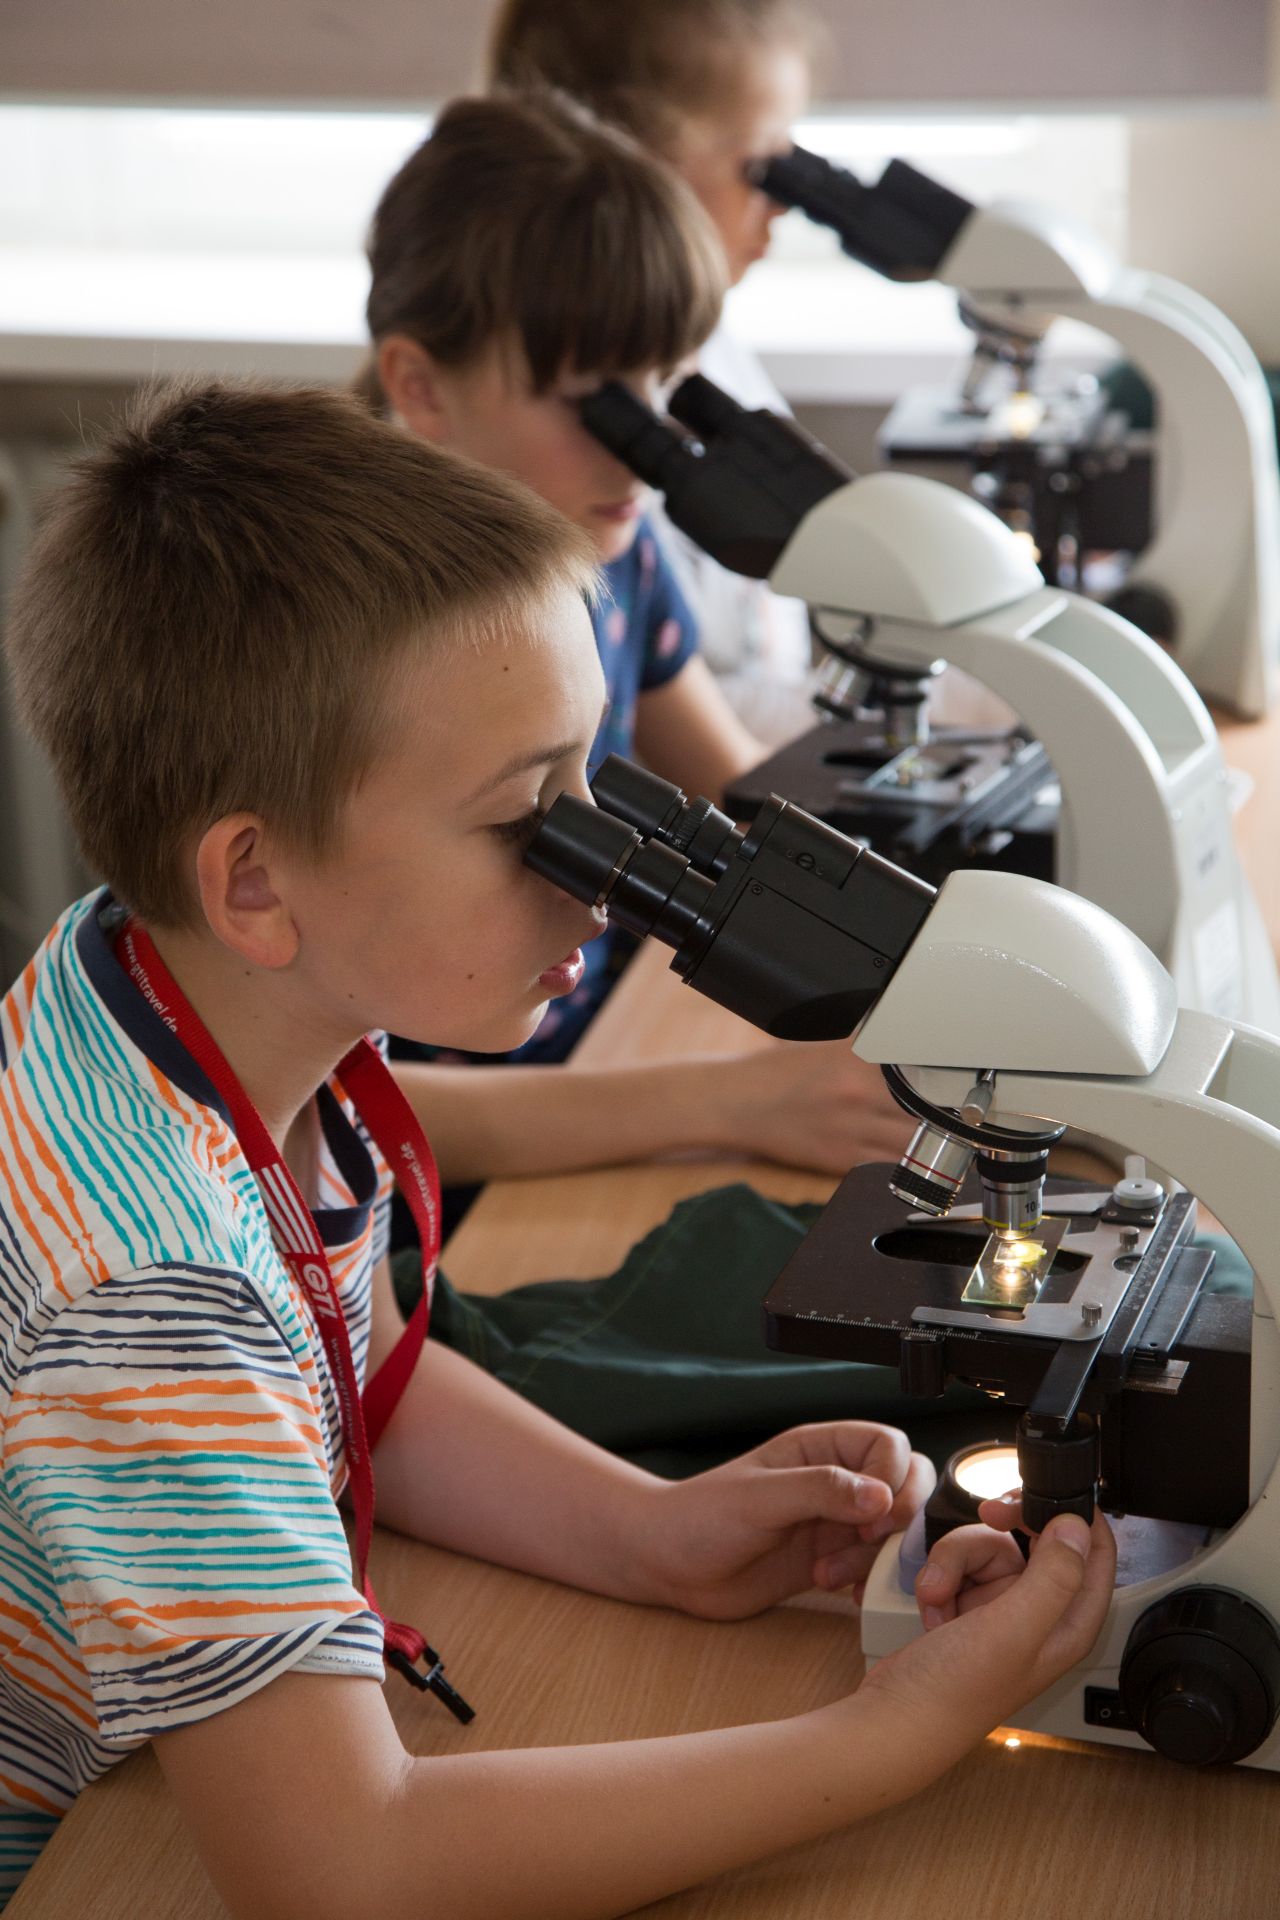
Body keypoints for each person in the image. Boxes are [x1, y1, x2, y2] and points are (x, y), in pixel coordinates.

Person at [0, 379, 1115, 1917]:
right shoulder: (149, 1291)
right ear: (255, 882)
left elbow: (351, 1374)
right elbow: (342, 1867)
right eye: (528, 818)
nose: (597, 884)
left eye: (590, 785)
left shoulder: (194, 994)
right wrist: (894, 1732)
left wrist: (650, 1533)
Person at [364, 89, 912, 1186]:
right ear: (420, 386)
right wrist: (732, 1098)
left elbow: (740, 806)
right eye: (594, 400)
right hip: (453, 1189)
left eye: (661, 386)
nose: (642, 447)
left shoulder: (612, 553)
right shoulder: (351, 645)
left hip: (604, 1057)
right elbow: (326, 1111)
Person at [488, 0, 819, 741]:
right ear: (633, 166)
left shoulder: (712, 347)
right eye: (762, 167)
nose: (785, 207)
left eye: (668, 380)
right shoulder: (585, 483)